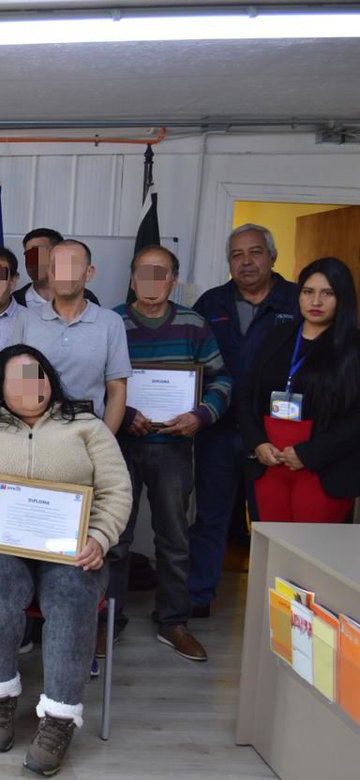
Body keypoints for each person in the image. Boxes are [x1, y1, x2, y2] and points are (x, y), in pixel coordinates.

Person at [0, 344, 131, 777]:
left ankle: (59, 719)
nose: (34, 385)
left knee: (71, 591)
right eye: (21, 378)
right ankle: (0, 697)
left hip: (72, 548)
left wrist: (100, 538)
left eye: (39, 375)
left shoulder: (85, 424)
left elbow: (117, 489)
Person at [106, 245, 232, 663]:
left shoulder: (194, 324)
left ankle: (173, 621)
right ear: (131, 279)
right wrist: (125, 417)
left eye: (161, 273)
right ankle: (107, 619)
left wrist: (201, 415)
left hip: (176, 449)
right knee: (114, 540)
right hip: (121, 446)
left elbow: (221, 381)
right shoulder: (112, 323)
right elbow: (96, 383)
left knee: (175, 539)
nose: (152, 281)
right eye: (143, 272)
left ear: (173, 280)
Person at [187, 223, 299, 616]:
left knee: (274, 523)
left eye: (255, 252)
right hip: (219, 429)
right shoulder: (211, 303)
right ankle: (198, 597)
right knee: (211, 517)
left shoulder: (297, 301)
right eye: (237, 255)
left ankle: (282, 605)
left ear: (272, 256)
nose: (246, 261)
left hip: (274, 432)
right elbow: (191, 361)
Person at [239, 258, 360, 523]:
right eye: (308, 292)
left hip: (321, 467)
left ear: (343, 298)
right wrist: (257, 442)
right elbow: (246, 395)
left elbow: (355, 420)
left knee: (310, 554)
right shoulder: (277, 336)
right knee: (273, 550)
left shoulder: (353, 348)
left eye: (327, 293)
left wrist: (309, 454)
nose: (316, 302)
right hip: (270, 461)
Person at [16, 239, 131, 433]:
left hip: (89, 434)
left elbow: (117, 389)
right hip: (36, 434)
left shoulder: (110, 322)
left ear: (89, 272)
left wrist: (104, 442)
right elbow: (15, 383)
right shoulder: (26, 319)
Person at [13, 228, 100, 308]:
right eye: (28, 255)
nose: (32, 262)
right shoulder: (14, 301)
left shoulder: (87, 298)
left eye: (38, 253)